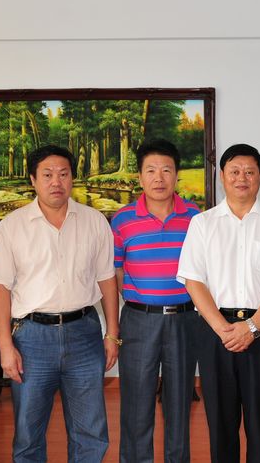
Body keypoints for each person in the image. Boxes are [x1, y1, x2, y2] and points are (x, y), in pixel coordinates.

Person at [0, 145, 120, 462]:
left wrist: (113, 334)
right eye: (47, 175)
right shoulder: (12, 226)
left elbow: (107, 279)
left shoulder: (94, 221)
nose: (56, 181)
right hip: (31, 338)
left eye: (63, 174)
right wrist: (5, 345)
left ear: (72, 178)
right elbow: (1, 288)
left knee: (91, 434)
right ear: (33, 180)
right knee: (28, 435)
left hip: (84, 334)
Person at [177, 143, 260, 462]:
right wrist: (223, 329)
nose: (242, 178)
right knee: (221, 426)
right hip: (216, 334)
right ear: (222, 176)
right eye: (235, 171)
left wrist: (252, 327)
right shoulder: (202, 224)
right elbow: (193, 280)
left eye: (249, 172)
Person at [110, 139, 200, 462]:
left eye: (166, 170)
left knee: (179, 403)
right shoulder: (122, 220)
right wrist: (140, 300)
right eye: (150, 170)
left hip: (184, 320)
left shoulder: (196, 217)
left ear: (177, 175)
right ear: (139, 176)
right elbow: (117, 270)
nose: (158, 178)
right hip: (139, 320)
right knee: (136, 405)